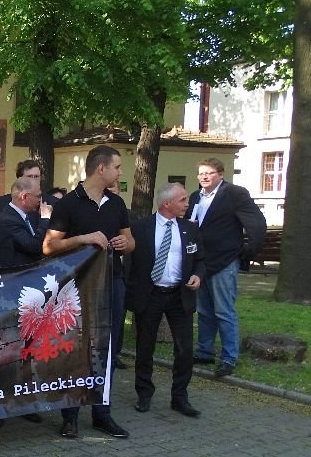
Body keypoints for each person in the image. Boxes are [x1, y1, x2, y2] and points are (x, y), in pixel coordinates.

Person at [42, 145, 134, 440]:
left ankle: (102, 413)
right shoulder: (69, 203)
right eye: (117, 167)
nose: (120, 172)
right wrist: (84, 238)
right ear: (101, 168)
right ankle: (70, 415)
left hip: (112, 282)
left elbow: (130, 241)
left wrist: (125, 244)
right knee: (75, 346)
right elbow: (49, 246)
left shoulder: (116, 203)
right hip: (78, 284)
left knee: (108, 347)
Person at [129, 183, 205, 418]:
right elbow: (130, 264)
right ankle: (144, 393)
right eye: (182, 200)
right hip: (151, 294)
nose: (187, 204)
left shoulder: (190, 229)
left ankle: (180, 397)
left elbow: (201, 259)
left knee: (184, 349)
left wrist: (198, 275)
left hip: (179, 295)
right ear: (166, 203)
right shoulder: (141, 228)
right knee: (145, 347)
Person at [187, 157, 266, 378]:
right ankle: (205, 351)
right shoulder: (195, 197)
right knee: (204, 311)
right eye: (201, 173)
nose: (204, 177)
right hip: (200, 263)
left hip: (224, 262)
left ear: (221, 174)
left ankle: (229, 357)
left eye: (209, 173)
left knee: (224, 311)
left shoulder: (234, 194)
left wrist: (248, 251)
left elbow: (257, 223)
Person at [0, 177, 52, 267]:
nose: (40, 200)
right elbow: (33, 247)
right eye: (38, 196)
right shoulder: (7, 220)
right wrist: (45, 219)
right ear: (24, 197)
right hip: (20, 272)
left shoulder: (29, 214)